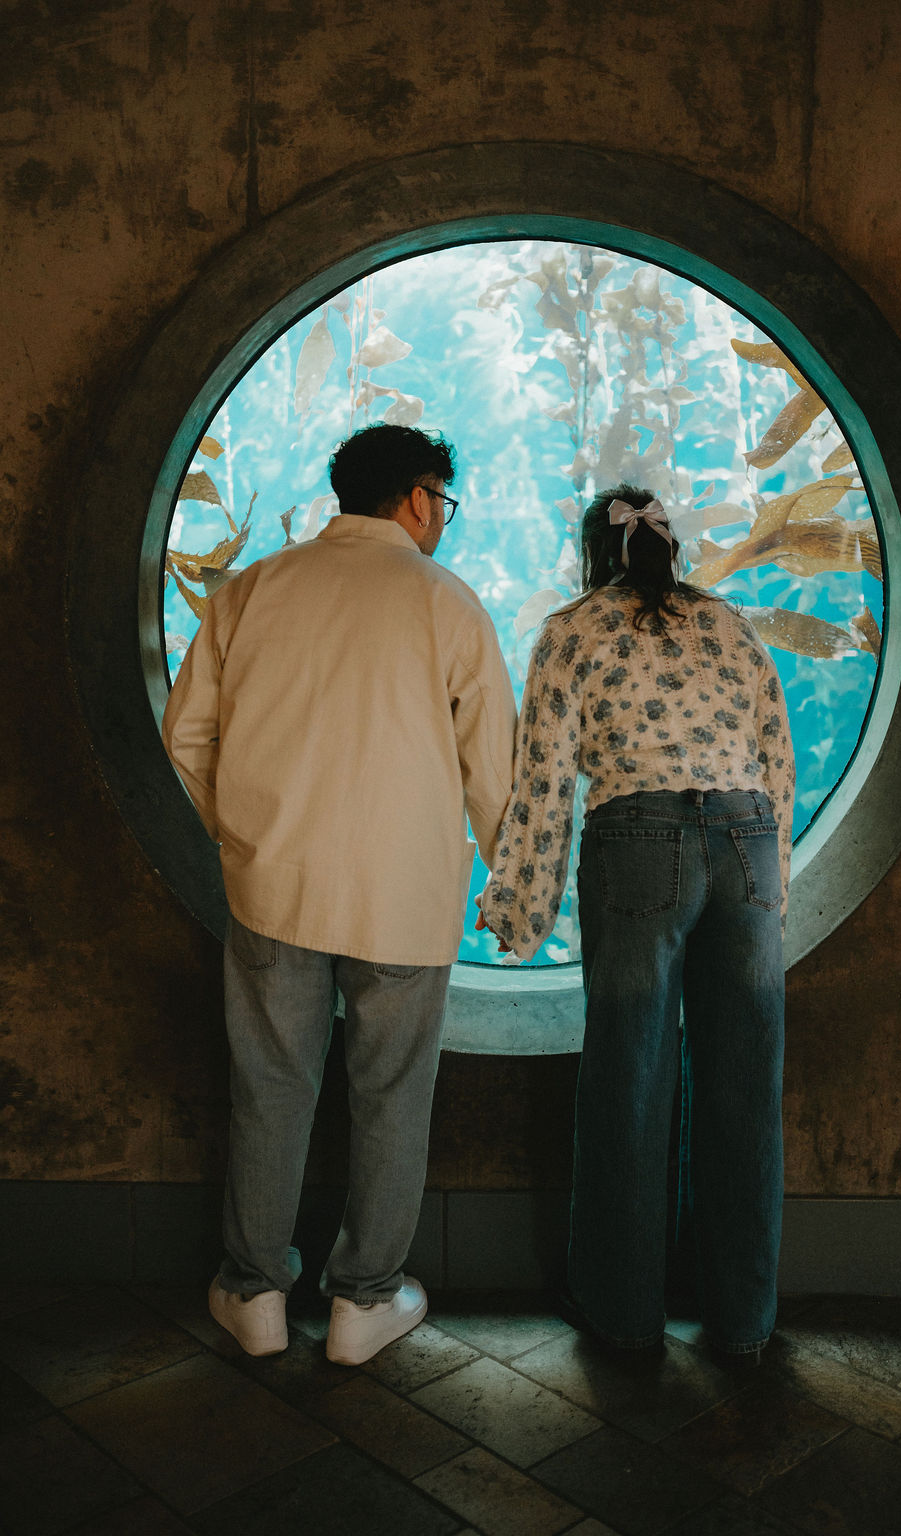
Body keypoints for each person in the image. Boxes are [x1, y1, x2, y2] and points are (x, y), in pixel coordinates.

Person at [163, 423, 517, 1364]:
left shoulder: (251, 591)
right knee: (393, 1096)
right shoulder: (449, 603)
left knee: (270, 1089)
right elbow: (494, 775)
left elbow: (187, 738)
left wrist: (241, 837)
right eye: (442, 500)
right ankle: (364, 1303)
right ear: (415, 497)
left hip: (274, 886)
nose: (442, 518)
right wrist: (513, 884)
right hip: (403, 896)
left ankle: (253, 1295)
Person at [478, 483, 794, 1364]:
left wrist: (519, 910)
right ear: (673, 550)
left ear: (594, 555)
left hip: (639, 838)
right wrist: (774, 889)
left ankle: (623, 1313)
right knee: (744, 1086)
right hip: (748, 843)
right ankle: (744, 1319)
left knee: (630, 1073)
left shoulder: (572, 630)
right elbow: (777, 759)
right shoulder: (730, 622)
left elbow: (545, 784)